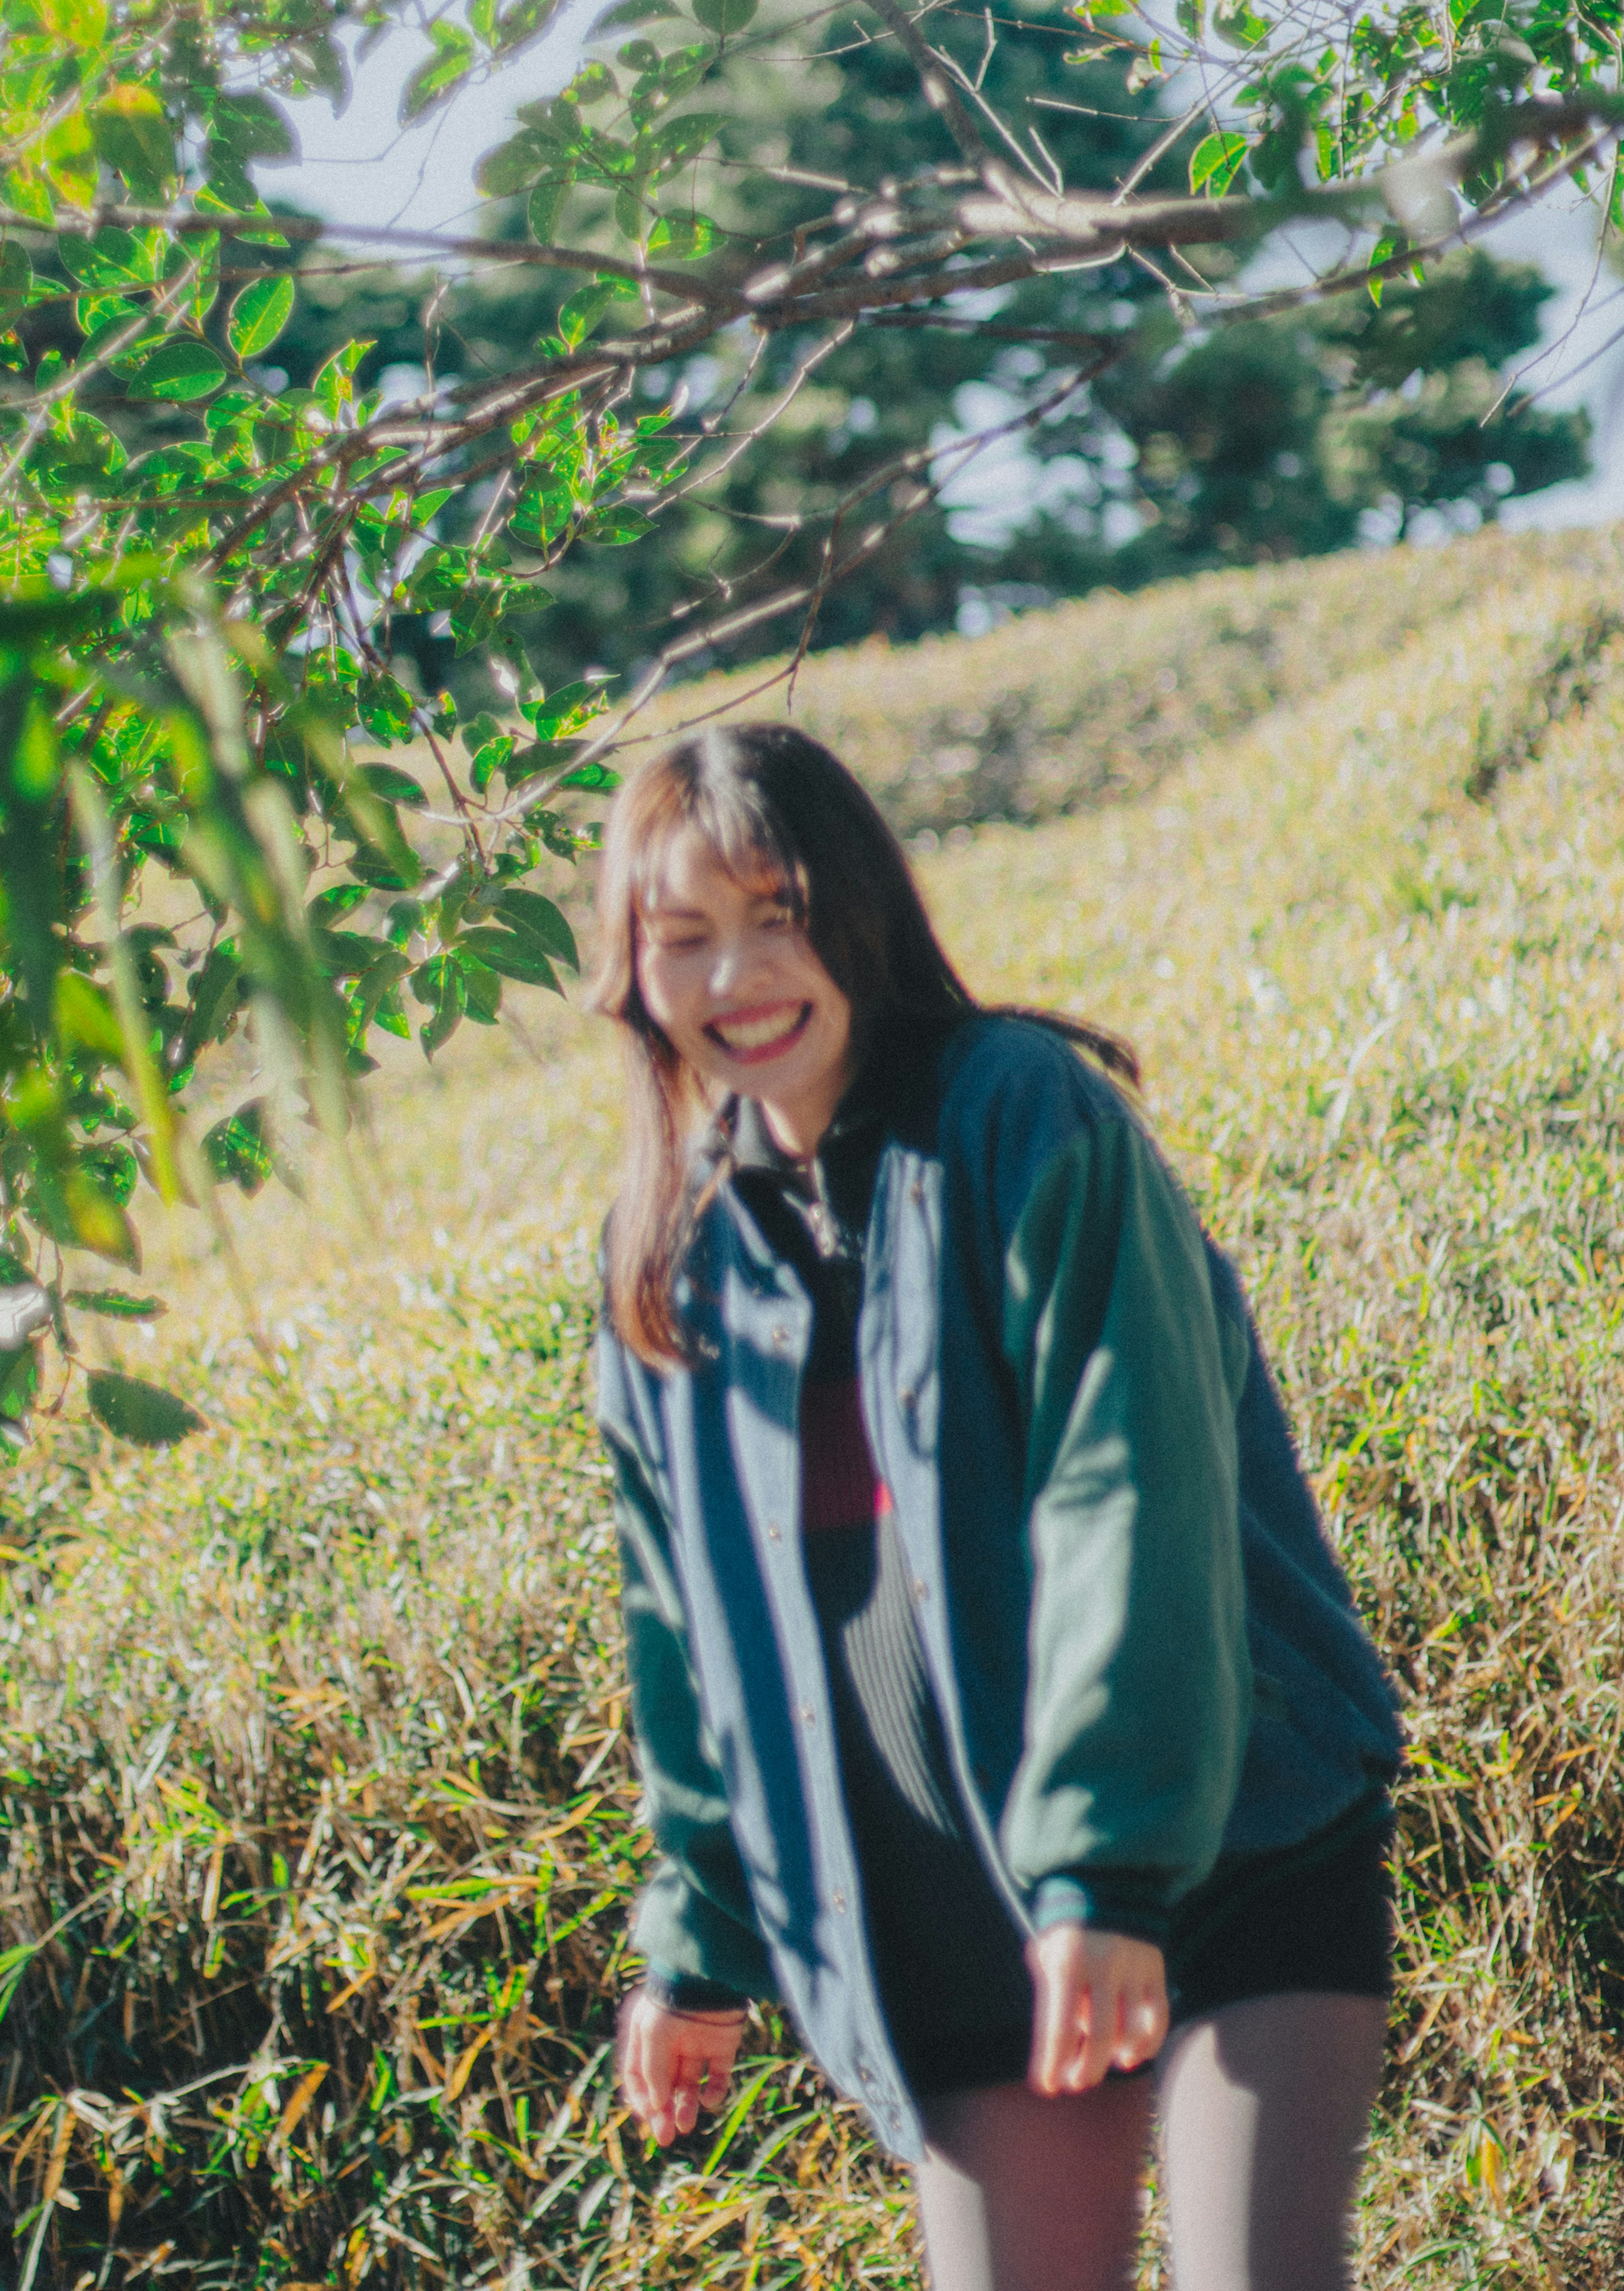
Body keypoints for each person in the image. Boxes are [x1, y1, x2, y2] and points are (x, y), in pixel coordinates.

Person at [590, 722, 1402, 2291]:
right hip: (949, 1922)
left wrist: (1105, 1870)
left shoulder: (1023, 1117)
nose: (738, 975)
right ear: (635, 971)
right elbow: (684, 1629)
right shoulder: (669, 1252)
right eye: (685, 936)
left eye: (779, 912)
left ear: (861, 911)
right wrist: (698, 1942)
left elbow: (1128, 1486)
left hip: (1229, 1849)